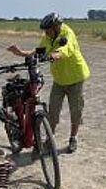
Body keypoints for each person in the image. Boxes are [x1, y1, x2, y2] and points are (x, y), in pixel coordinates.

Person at [7, 13, 90, 154]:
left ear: (56, 27)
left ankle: (73, 138)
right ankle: (49, 140)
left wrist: (55, 54)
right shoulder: (48, 37)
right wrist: (20, 53)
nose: (45, 33)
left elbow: (67, 49)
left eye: (48, 30)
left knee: (76, 111)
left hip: (76, 79)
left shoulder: (67, 33)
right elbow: (38, 52)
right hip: (59, 80)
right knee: (53, 112)